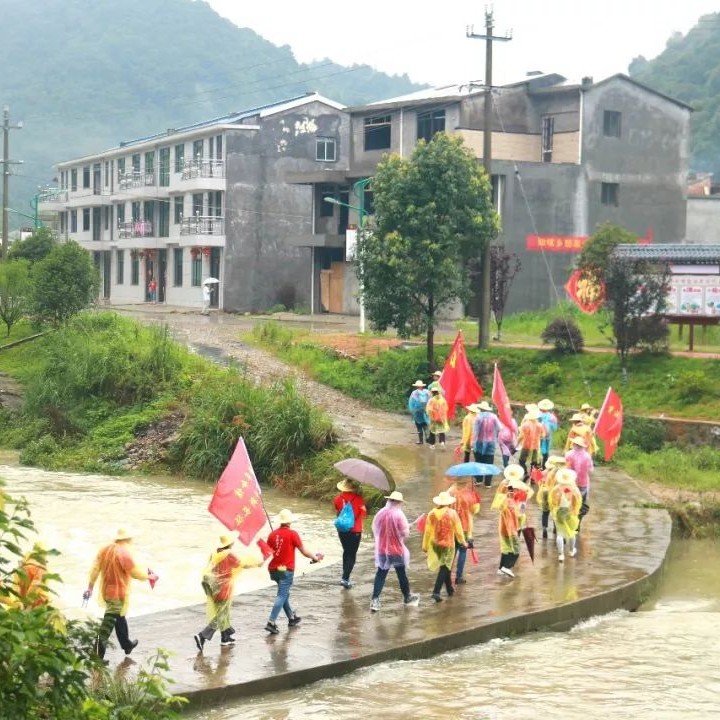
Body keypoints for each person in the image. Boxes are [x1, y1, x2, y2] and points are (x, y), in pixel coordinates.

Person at [83, 528, 157, 660]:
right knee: (108, 623)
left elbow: (95, 569)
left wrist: (90, 587)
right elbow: (134, 572)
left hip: (106, 591)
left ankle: (126, 644)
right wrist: (149, 577)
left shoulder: (104, 550)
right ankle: (97, 656)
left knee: (119, 617)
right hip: (117, 593)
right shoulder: (124, 553)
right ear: (127, 540)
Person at [194, 533, 264, 652]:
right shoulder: (228, 554)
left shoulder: (214, 553)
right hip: (224, 588)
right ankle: (202, 636)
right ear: (230, 543)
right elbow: (243, 564)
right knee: (222, 614)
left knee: (223, 612)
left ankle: (225, 638)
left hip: (214, 587)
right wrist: (257, 564)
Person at [265, 508, 321, 635]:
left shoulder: (272, 534)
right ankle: (271, 622)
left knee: (284, 594)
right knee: (282, 595)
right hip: (286, 570)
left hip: (274, 569)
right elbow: (304, 551)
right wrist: (315, 558)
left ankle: (291, 618)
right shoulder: (293, 534)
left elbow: (268, 552)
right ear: (290, 522)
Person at [369, 491, 419, 612]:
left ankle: (375, 600)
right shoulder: (399, 515)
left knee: (381, 574)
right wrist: (409, 526)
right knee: (401, 574)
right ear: (398, 502)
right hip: (396, 550)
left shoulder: (381, 513)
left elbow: (375, 528)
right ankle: (407, 597)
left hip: (382, 550)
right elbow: (404, 533)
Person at [422, 491, 466, 601]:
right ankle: (436, 592)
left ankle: (449, 589)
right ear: (448, 502)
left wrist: (425, 546)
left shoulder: (432, 513)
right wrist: (463, 542)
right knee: (445, 567)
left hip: (436, 543)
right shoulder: (452, 513)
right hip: (448, 544)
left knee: (445, 565)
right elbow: (459, 530)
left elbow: (427, 531)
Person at [492, 464, 526, 578]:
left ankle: (501, 568)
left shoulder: (503, 486)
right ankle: (507, 567)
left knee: (506, 546)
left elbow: (497, 501)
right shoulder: (521, 489)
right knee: (515, 547)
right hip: (515, 523)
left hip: (503, 522)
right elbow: (522, 508)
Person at [333, 478, 367, 589]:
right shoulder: (359, 499)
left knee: (346, 551)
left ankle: (345, 575)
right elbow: (364, 513)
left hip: (342, 530)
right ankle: (345, 578)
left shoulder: (338, 498)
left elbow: (338, 510)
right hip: (355, 530)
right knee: (352, 555)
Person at [447, 477, 481, 585]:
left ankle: (446, 574)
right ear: (465, 482)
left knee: (452, 551)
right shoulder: (468, 494)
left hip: (451, 526)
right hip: (464, 527)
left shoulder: (449, 491)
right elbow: (475, 510)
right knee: (462, 551)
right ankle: (459, 576)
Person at [549, 468, 583, 562]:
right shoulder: (574, 489)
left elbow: (551, 501)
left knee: (560, 534)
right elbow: (578, 501)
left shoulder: (556, 489)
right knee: (572, 532)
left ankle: (561, 555)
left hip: (559, 512)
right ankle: (571, 551)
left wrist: (554, 511)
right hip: (570, 513)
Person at [565, 436, 595, 529]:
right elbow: (591, 470)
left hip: (570, 483)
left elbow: (565, 468)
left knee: (569, 502)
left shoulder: (568, 454)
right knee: (581, 504)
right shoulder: (587, 456)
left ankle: (569, 522)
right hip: (583, 483)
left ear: (574, 444)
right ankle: (577, 523)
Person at [471, 400, 502, 486]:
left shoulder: (478, 417)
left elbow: (475, 432)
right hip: (491, 442)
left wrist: (472, 444)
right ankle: (488, 483)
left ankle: (479, 480)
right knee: (489, 462)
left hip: (479, 443)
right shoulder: (494, 417)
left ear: (480, 409)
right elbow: (500, 428)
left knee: (479, 462)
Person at [536, 455, 566, 539]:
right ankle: (555, 528)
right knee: (555, 511)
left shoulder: (544, 472)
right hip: (555, 494)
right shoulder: (559, 474)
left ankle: (544, 529)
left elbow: (538, 481)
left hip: (545, 493)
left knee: (545, 512)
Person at [517, 406, 546, 481]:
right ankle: (533, 479)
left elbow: (521, 436)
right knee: (534, 463)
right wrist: (538, 437)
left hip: (526, 445)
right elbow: (543, 435)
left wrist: (516, 443)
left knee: (521, 460)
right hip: (536, 447)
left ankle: (526, 473)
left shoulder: (525, 425)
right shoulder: (540, 425)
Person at [537, 399, 559, 469]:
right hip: (548, 436)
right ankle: (544, 466)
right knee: (546, 451)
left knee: (538, 450)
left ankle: (537, 465)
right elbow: (555, 428)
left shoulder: (537, 415)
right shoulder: (552, 417)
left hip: (538, 436)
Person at [408, 380, 430, 445]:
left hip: (417, 412)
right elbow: (430, 401)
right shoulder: (427, 392)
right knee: (425, 424)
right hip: (425, 411)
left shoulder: (414, 393)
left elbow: (411, 403)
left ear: (416, 386)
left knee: (419, 426)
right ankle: (427, 437)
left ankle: (421, 441)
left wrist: (412, 411)